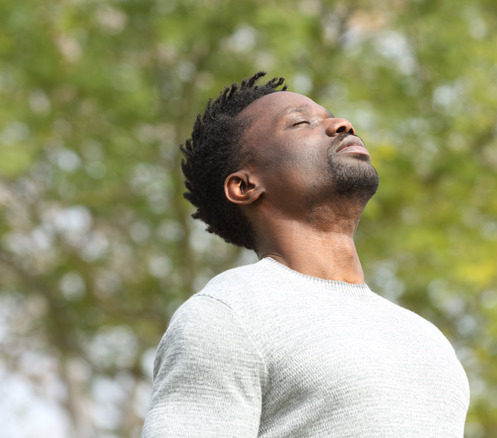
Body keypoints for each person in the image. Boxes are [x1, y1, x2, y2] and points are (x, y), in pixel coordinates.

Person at [142, 71, 470, 437]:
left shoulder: (424, 337)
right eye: (300, 123)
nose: (341, 125)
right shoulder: (227, 315)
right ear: (245, 185)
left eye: (332, 116)